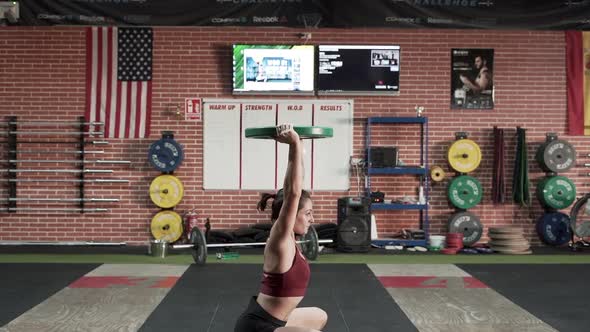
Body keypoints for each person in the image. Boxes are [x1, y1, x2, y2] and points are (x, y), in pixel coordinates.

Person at [234, 124, 328, 332]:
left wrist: (299, 144)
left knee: (319, 316)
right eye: (308, 213)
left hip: (277, 321)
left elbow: (298, 185)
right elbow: (293, 192)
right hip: (257, 327)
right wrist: (293, 143)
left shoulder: (292, 240)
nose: (313, 219)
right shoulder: (280, 239)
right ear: (291, 214)